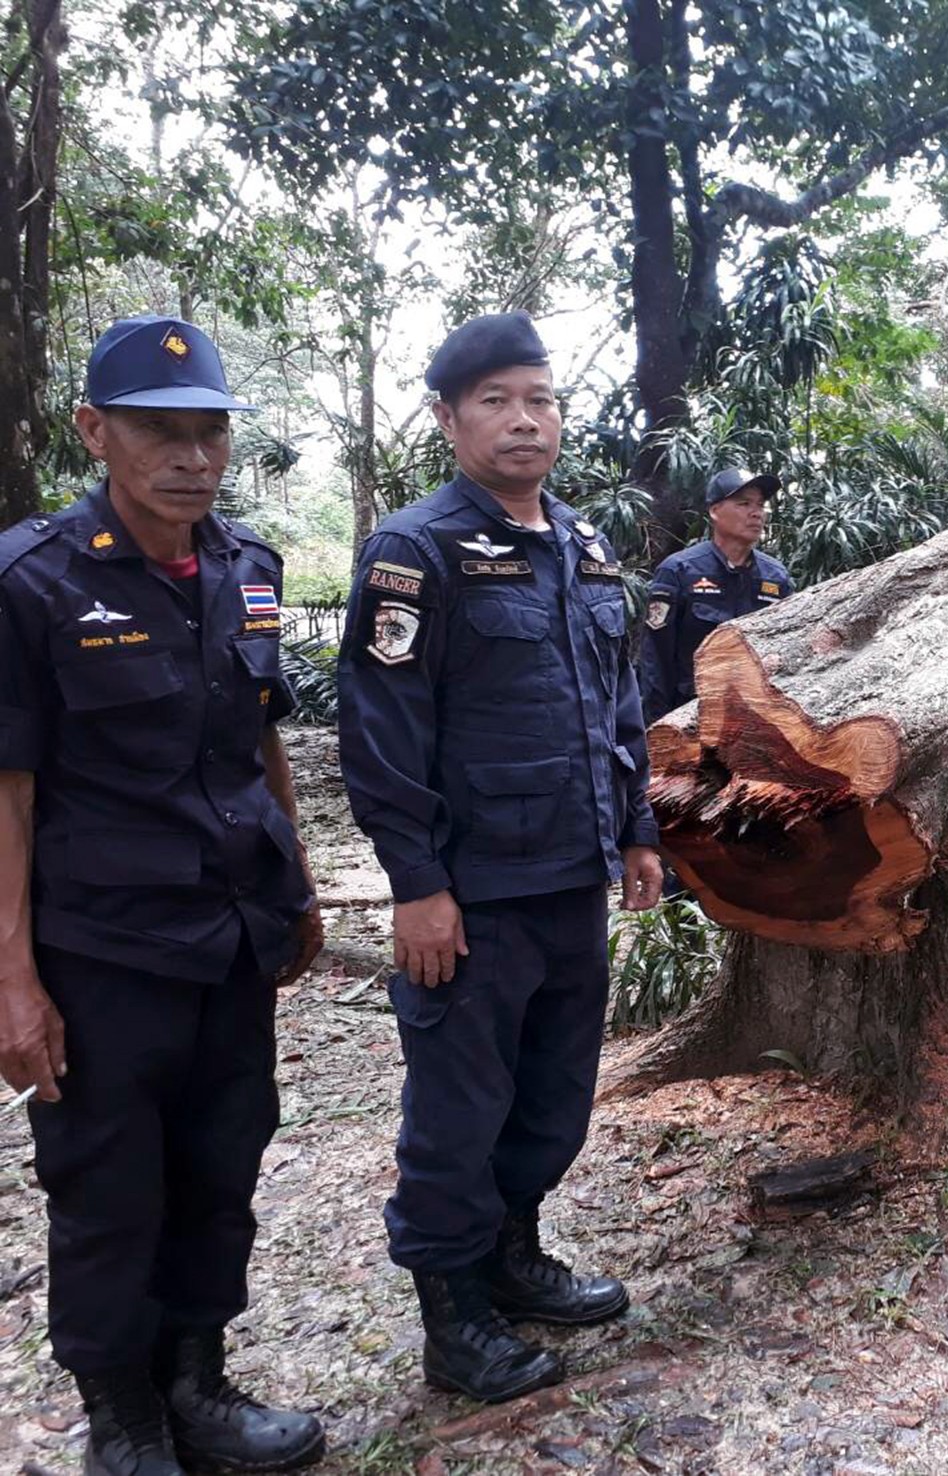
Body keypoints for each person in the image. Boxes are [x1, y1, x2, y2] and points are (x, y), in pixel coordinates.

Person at [0, 317, 325, 1476]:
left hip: (231, 932)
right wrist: (12, 981)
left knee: (222, 1163)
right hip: (101, 950)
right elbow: (11, 791)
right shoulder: (32, 581)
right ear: (96, 431)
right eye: (158, 432)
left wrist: (299, 883)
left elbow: (259, 738)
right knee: (107, 1186)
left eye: (209, 435)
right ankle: (122, 1417)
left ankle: (198, 1383)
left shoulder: (249, 569)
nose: (190, 457)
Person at [337, 312, 665, 1404]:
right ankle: (454, 1315)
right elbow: (379, 733)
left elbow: (616, 703)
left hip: (571, 877)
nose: (524, 420)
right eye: (496, 401)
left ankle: (514, 1258)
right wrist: (417, 887)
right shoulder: (414, 552)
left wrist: (636, 830)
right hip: (471, 895)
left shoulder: (579, 546)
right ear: (448, 418)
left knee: (554, 1097)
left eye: (541, 398)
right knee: (459, 1108)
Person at [636, 466, 794, 725]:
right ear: (714, 511)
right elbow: (656, 661)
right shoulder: (679, 571)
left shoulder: (775, 577)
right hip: (689, 718)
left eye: (760, 504)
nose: (756, 513)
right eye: (744, 503)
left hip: (756, 722)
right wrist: (657, 729)